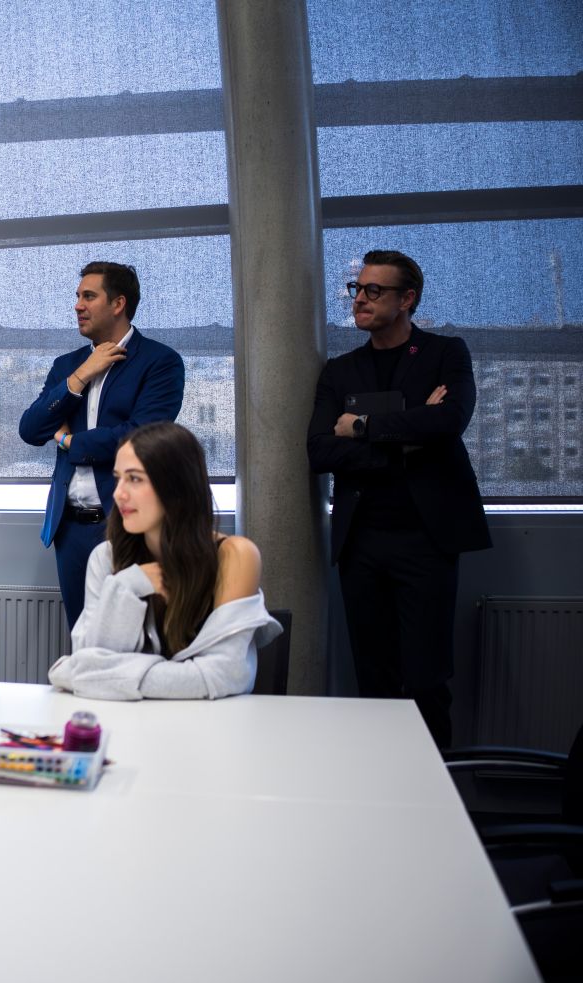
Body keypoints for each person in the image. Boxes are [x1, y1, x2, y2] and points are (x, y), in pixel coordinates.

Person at [307, 250, 489, 747]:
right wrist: (406, 445)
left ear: (407, 299)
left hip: (426, 540)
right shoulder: (340, 371)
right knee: (374, 679)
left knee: (427, 680)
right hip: (361, 542)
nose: (360, 299)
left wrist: (362, 427)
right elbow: (320, 449)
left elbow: (450, 421)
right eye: (357, 290)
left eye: (374, 291)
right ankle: (382, 794)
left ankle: (436, 805)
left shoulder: (445, 353)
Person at [49, 422, 279, 700]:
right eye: (118, 477)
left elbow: (224, 674)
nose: (118, 493)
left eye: (134, 479)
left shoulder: (234, 555)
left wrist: (93, 675)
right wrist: (128, 586)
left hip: (208, 728)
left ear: (177, 486)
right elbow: (87, 659)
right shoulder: (105, 557)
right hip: (124, 725)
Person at [20, 261, 185, 631]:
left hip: (126, 524)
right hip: (71, 529)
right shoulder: (68, 365)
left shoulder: (160, 363)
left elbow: (140, 436)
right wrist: (80, 377)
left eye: (88, 296)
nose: (77, 305)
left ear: (118, 303)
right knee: (83, 640)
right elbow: (30, 429)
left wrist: (67, 440)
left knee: (135, 636)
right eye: (77, 296)